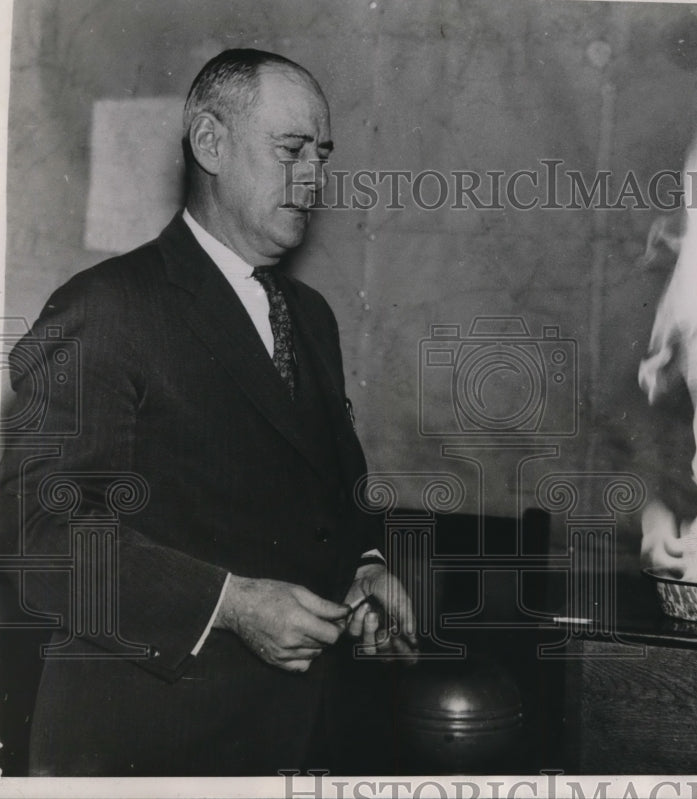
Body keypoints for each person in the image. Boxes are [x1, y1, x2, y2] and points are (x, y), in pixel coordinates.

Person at [0, 48, 415, 776]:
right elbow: (37, 533)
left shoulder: (311, 317)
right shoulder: (106, 308)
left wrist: (365, 564)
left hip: (291, 746)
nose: (315, 177)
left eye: (321, 153)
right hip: (144, 751)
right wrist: (227, 603)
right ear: (210, 143)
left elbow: (327, 488)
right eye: (291, 149)